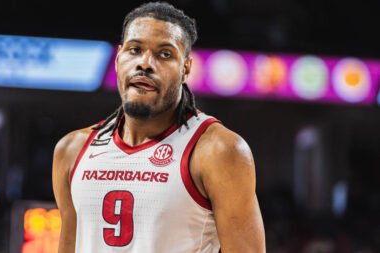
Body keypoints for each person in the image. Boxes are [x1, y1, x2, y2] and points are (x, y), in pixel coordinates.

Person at [52, 2, 265, 252]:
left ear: (186, 68)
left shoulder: (219, 151)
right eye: (134, 49)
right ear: (119, 57)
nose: (145, 63)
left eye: (165, 54)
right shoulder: (72, 149)